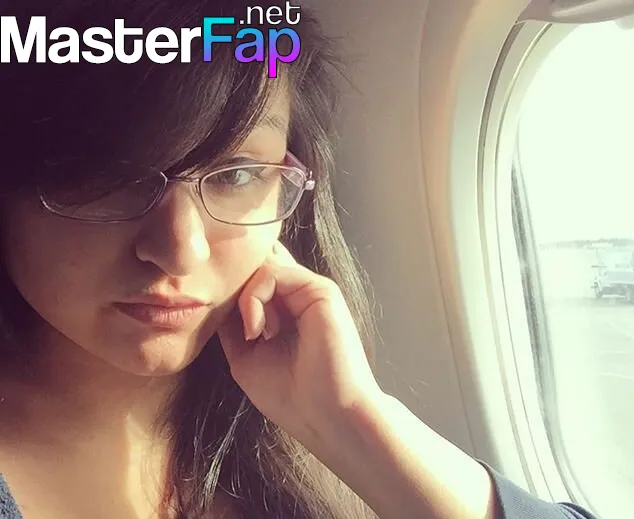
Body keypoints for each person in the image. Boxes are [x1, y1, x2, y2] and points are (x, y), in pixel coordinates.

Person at [0, 1, 600, 518]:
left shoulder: (295, 439)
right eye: (108, 176)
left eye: (237, 174)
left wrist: (350, 420)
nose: (181, 251)